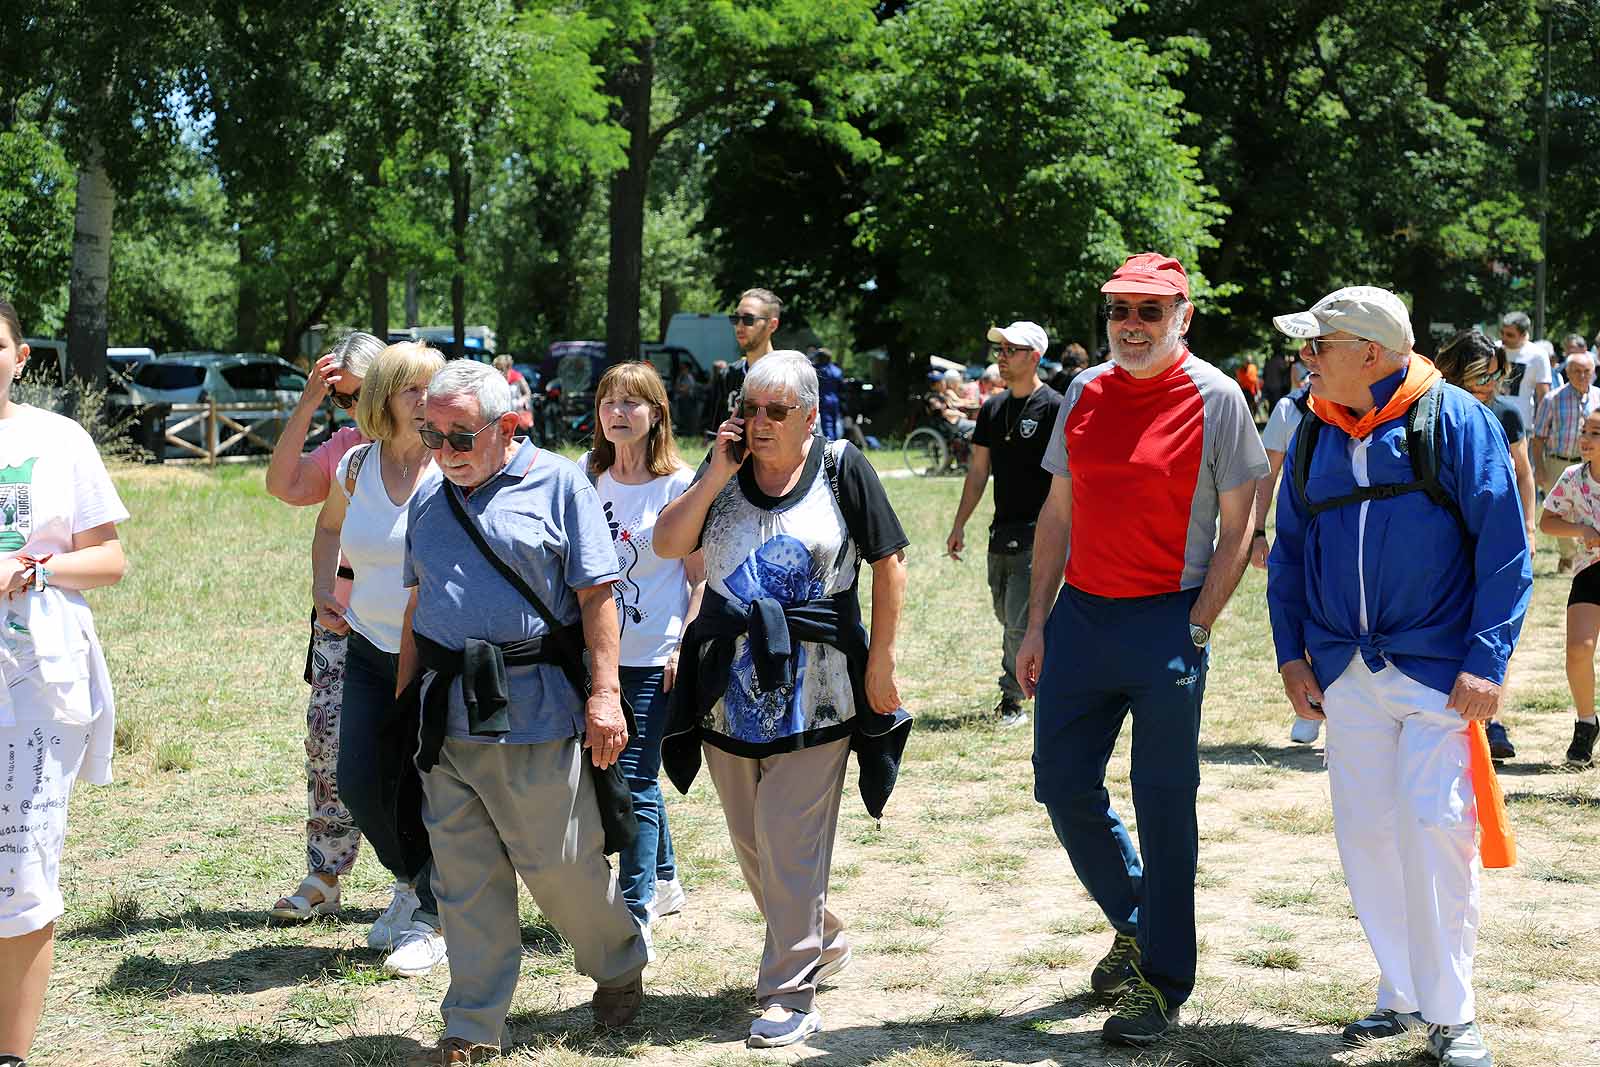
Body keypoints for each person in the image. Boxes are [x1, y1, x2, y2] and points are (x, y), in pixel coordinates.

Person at [1267, 286, 1530, 1067]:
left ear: (1371, 355)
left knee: (1434, 823)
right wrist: (1290, 652)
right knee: (1369, 834)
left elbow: (1505, 551)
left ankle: (1453, 1014)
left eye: (1319, 346)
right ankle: (1402, 992)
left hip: (1436, 674)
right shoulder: (1315, 430)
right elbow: (1287, 551)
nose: (1305, 359)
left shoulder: (1455, 419)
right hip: (1343, 672)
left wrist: (1487, 660)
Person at [1016, 253, 1267, 1047]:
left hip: (1167, 618)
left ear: (1182, 317)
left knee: (1165, 802)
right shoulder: (1084, 391)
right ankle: (1136, 917)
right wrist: (1035, 621)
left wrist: (1199, 622)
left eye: (1150, 311)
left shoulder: (1219, 397)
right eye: (1121, 309)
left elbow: (1240, 529)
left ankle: (1162, 981)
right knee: (1060, 784)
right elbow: (1057, 512)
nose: (1131, 324)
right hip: (1081, 618)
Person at [653, 352, 909, 1050]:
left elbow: (890, 566)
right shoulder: (725, 475)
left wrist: (880, 660)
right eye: (750, 409)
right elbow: (668, 542)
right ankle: (820, 935)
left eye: (774, 412)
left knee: (789, 838)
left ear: (809, 415)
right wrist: (713, 474)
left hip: (818, 692)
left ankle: (790, 993)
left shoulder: (841, 467)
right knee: (754, 844)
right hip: (726, 691)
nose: (758, 424)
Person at [398, 360, 649, 1065]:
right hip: (448, 718)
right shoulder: (428, 498)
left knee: (562, 866)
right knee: (463, 876)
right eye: (431, 433)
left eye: (459, 434)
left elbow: (599, 593)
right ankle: (473, 1024)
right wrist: (401, 710)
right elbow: (418, 611)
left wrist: (605, 693)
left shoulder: (560, 482)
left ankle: (619, 960)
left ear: (507, 427)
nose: (444, 449)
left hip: (536, 708)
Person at [0, 298, 129, 1066]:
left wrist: (33, 568)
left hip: (34, 686)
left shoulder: (59, 440)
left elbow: (107, 560)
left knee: (21, 867)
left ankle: (10, 1055)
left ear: (20, 357)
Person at [311, 341, 447, 978]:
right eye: (412, 390)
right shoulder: (357, 467)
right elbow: (329, 528)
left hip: (439, 654)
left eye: (434, 389)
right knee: (361, 782)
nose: (426, 402)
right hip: (367, 645)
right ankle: (417, 883)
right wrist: (323, 589)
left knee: (432, 784)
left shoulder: (454, 464)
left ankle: (431, 913)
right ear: (383, 399)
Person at [263, 331, 390, 926]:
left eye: (360, 394)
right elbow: (285, 487)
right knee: (326, 741)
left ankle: (420, 878)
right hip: (343, 617)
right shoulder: (347, 447)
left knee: (411, 746)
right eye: (343, 401)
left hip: (411, 620)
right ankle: (326, 871)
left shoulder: (433, 445)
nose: (354, 410)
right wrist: (309, 402)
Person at [583, 362, 704, 927]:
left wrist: (684, 641)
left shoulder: (679, 484)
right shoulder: (588, 476)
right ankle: (664, 877)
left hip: (656, 655)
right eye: (610, 402)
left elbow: (700, 576)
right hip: (599, 657)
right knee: (625, 774)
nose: (618, 413)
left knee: (633, 778)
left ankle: (635, 905)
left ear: (657, 413)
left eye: (632, 403)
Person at [945, 320, 1062, 729]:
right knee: (1006, 613)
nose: (1001, 357)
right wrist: (960, 523)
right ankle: (1047, 671)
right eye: (999, 349)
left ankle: (1012, 698)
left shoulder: (1055, 407)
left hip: (1041, 533)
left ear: (1034, 357)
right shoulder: (993, 409)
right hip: (1001, 533)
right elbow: (978, 473)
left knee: (1018, 619)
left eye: (1011, 350)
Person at [1434, 329, 1539, 763]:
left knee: (1493, 620)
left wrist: (1529, 528)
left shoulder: (1506, 414)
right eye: (1483, 375)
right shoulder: (1435, 408)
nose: (1492, 386)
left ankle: (1492, 719)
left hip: (1496, 529)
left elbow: (1525, 473)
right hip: (1450, 536)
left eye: (1496, 376)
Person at [1250, 381, 1318, 743]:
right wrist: (1257, 531)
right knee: (1300, 616)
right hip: (1300, 531)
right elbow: (1266, 472)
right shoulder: (1289, 410)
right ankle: (1311, 703)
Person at [1539, 408, 1600, 768]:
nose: (1585, 439)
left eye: (1595, 433)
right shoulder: (1573, 478)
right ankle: (1586, 723)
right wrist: (1582, 531)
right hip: (1590, 571)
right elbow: (1548, 521)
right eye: (1584, 431)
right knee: (1579, 649)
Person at [1533, 350, 1599, 575]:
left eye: (1586, 371)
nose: (1582, 376)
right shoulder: (1553, 398)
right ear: (1567, 372)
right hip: (1559, 462)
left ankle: (1577, 556)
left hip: (1593, 465)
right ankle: (1569, 555)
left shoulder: (1599, 397)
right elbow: (1539, 436)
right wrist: (1539, 468)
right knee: (1561, 513)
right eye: (1577, 371)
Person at [708, 288, 782, 426]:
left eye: (748, 319)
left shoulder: (790, 377)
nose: (739, 326)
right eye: (735, 318)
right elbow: (717, 432)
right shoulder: (728, 375)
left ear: (772, 325)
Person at [1500, 311, 1551, 430]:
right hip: (1493, 418)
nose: (1504, 338)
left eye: (1510, 335)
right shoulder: (1494, 349)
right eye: (1502, 333)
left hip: (1521, 422)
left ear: (1523, 335)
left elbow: (1543, 395)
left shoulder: (1538, 355)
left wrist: (1541, 427)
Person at [493, 354, 533, 437]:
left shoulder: (517, 377)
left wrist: (522, 400)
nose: (499, 371)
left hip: (518, 414)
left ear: (508, 367)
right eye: (497, 368)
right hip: (501, 416)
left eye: (501, 368)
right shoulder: (495, 379)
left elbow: (528, 393)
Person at [813, 348, 844, 441]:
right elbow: (841, 387)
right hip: (835, 399)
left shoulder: (819, 370)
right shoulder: (837, 371)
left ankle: (831, 442)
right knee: (834, 422)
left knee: (827, 424)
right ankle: (835, 440)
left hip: (824, 400)